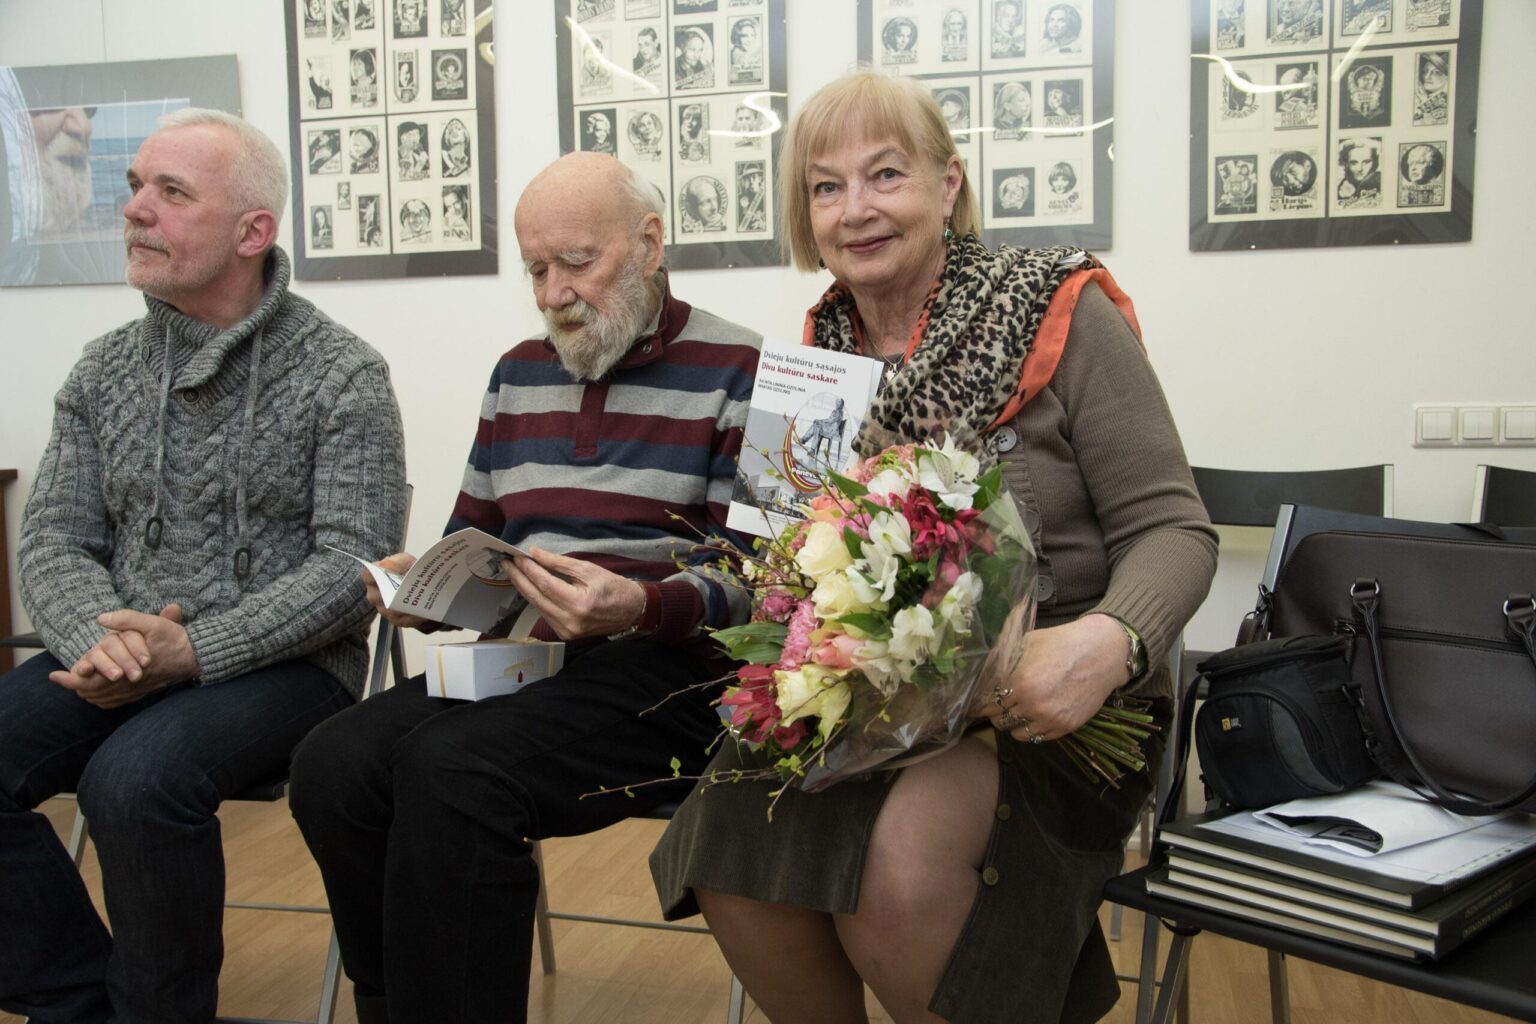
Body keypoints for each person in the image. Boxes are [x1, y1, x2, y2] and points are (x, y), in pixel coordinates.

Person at [651, 71, 1216, 1024]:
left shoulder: (1061, 309)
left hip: (1060, 702)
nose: (856, 209)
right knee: (727, 847)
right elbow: (784, 570)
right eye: (826, 187)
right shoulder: (815, 360)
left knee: (895, 875)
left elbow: (1176, 529)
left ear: (949, 184)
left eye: (886, 175)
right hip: (888, 699)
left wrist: (1111, 641)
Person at [288, 151, 762, 1024]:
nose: (552, 293)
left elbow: (765, 585)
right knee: (333, 763)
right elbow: (481, 534)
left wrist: (640, 604)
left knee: (453, 771)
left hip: (672, 677)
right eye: (536, 269)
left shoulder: (746, 370)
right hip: (525, 662)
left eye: (577, 263)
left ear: (651, 243)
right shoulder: (517, 372)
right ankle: (396, 1004)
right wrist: (424, 578)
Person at [0, 107, 405, 1024]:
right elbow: (57, 538)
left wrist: (194, 653)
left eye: (170, 192)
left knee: (134, 784)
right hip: (121, 653)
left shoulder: (343, 372)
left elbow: (353, 566)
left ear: (251, 232)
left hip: (291, 667)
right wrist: (101, 645)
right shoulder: (101, 370)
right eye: (134, 186)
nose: (136, 209)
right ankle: (81, 1007)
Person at [1415, 51, 1449, 125]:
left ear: (1447, 78)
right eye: (1425, 71)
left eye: (1436, 72)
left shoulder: (1445, 105)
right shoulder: (1424, 97)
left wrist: (1424, 101)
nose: (1426, 77)